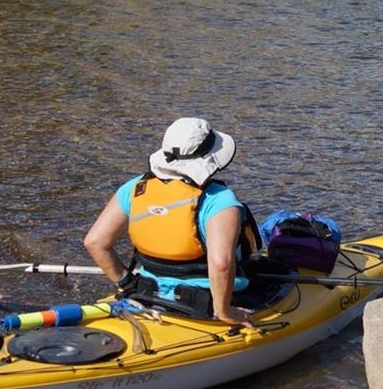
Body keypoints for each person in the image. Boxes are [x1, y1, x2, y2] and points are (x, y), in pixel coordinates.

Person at [83, 117, 259, 326]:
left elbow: (95, 242)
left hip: (148, 292)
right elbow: (221, 264)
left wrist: (126, 283)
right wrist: (225, 311)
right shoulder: (219, 200)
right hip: (206, 303)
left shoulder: (135, 188)